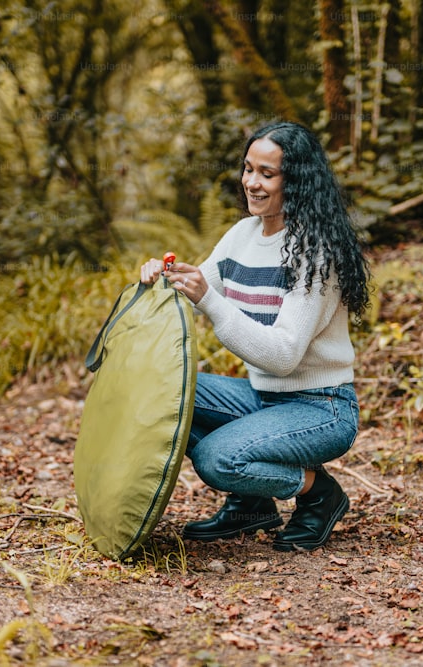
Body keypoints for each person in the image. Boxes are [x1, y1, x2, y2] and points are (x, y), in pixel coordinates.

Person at [139, 121, 369, 552]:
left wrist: (210, 299)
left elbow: (281, 355)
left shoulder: (314, 252)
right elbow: (193, 290)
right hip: (263, 398)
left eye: (267, 173)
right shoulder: (241, 235)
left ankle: (320, 494)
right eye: (248, 169)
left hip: (320, 406)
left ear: (295, 181)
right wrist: (161, 276)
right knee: (162, 388)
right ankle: (253, 504)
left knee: (216, 459)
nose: (252, 183)